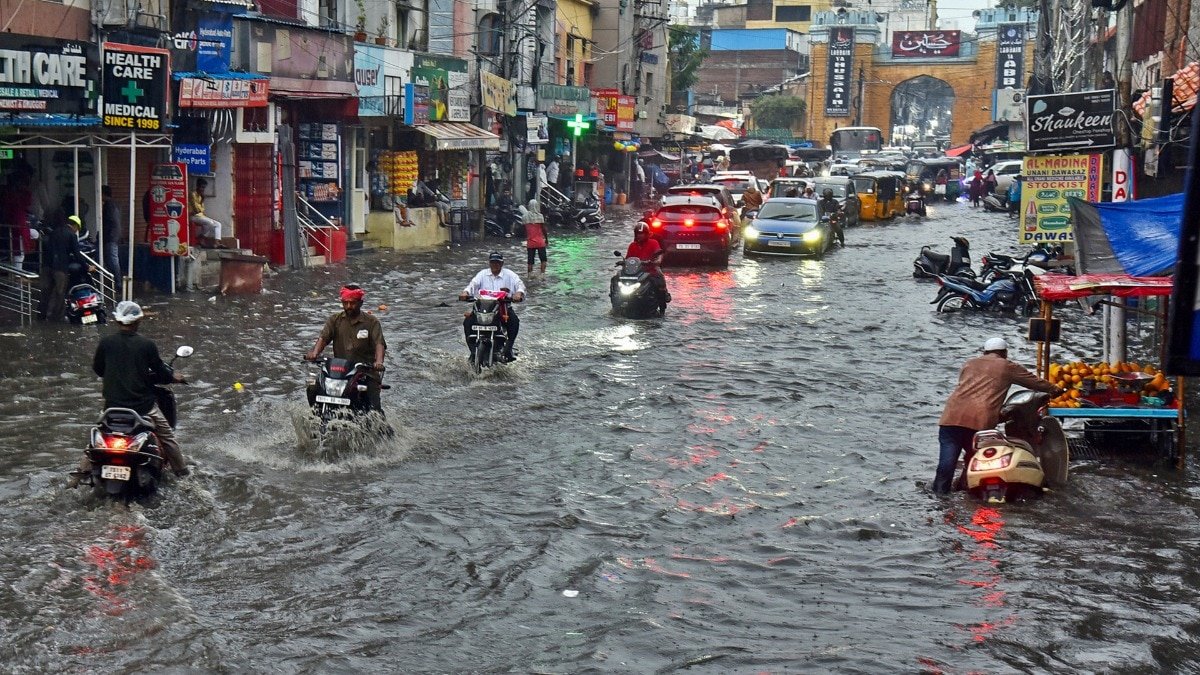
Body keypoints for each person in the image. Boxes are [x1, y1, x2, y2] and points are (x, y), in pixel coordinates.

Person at [78, 300, 189, 483]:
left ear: (117, 321)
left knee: (97, 437)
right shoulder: (147, 345)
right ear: (138, 321)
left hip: (112, 407)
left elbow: (98, 369)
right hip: (143, 408)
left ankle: (79, 475)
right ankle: (183, 475)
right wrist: (174, 377)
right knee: (168, 437)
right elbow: (161, 371)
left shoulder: (106, 343)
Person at [934, 338, 1062, 495]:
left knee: (947, 462)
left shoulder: (969, 364)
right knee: (977, 459)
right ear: (1004, 353)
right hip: (979, 422)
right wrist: (1055, 389)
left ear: (985, 352)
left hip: (951, 417)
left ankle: (940, 494)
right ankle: (969, 491)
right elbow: (1034, 382)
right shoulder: (1007, 366)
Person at [305, 285, 387, 413]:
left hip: (365, 372)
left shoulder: (371, 322)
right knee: (313, 387)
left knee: (373, 404)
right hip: (339, 373)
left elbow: (379, 344)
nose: (349, 306)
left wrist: (379, 362)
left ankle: (377, 423)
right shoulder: (335, 320)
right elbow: (323, 338)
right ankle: (315, 414)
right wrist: (314, 353)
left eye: (352, 303)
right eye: (345, 303)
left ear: (360, 303)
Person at [460, 252, 526, 361]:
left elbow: (520, 285)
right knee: (467, 322)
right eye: (493, 262)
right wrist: (465, 293)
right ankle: (472, 351)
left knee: (514, 321)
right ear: (489, 263)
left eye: (497, 262)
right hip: (482, 309)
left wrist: (518, 294)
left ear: (502, 263)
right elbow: (472, 285)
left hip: (503, 309)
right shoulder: (482, 274)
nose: (495, 265)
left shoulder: (510, 275)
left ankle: (509, 348)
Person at [38, 211, 91, 322]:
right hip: (60, 269)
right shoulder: (72, 235)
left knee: (45, 293)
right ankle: (56, 318)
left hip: (47, 266)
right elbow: (77, 254)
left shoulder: (54, 232)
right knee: (60, 293)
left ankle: (41, 316)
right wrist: (87, 267)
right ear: (75, 226)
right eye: (77, 229)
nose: (76, 231)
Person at [612, 221, 669, 312]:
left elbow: (659, 254)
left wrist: (656, 261)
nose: (640, 236)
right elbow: (628, 258)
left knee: (659, 280)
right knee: (615, 278)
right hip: (635, 272)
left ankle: (662, 304)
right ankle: (615, 300)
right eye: (638, 233)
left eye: (642, 233)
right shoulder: (632, 245)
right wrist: (622, 262)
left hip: (649, 270)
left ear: (647, 234)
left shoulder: (653, 243)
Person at [189, 179, 225, 248]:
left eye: (204, 188)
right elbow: (196, 209)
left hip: (201, 216)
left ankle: (216, 243)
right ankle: (201, 238)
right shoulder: (192, 194)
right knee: (210, 223)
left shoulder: (201, 196)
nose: (203, 189)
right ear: (197, 186)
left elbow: (202, 209)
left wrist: (202, 200)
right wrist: (200, 209)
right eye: (201, 187)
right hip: (193, 216)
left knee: (218, 224)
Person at [100, 185, 122, 281]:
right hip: (113, 236)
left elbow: (108, 222)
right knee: (111, 259)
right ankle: (115, 280)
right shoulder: (114, 205)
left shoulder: (108, 206)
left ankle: (117, 281)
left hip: (110, 237)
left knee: (112, 259)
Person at [524, 199, 548, 275]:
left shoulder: (525, 217)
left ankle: (529, 276)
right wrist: (546, 239)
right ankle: (542, 274)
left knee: (530, 262)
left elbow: (524, 230)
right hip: (540, 242)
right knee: (543, 260)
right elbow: (543, 229)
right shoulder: (540, 216)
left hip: (530, 242)